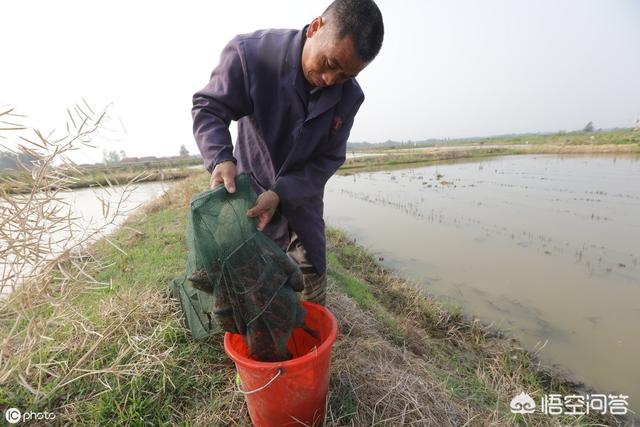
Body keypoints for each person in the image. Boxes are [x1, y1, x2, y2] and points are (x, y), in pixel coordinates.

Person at [192, 0, 384, 306]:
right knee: (250, 283)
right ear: (316, 27)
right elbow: (210, 108)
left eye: (346, 75)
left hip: (301, 200)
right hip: (250, 195)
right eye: (331, 64)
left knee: (311, 284)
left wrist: (281, 193)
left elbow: (328, 159)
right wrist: (220, 157)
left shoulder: (349, 96)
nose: (331, 80)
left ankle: (306, 331)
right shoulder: (251, 55)